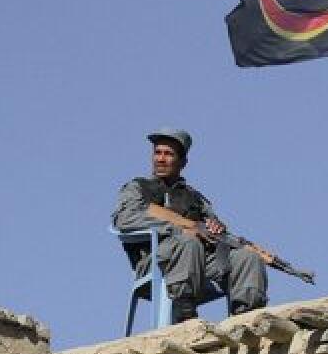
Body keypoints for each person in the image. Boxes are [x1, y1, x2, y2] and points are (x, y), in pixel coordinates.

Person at [112, 127, 269, 320]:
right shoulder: (137, 187)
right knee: (189, 240)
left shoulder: (195, 198)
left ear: (183, 162)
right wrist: (182, 227)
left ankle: (246, 317)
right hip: (156, 261)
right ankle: (184, 316)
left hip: (199, 262)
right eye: (157, 153)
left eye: (168, 154)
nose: (160, 159)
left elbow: (215, 227)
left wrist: (216, 228)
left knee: (246, 257)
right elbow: (124, 219)